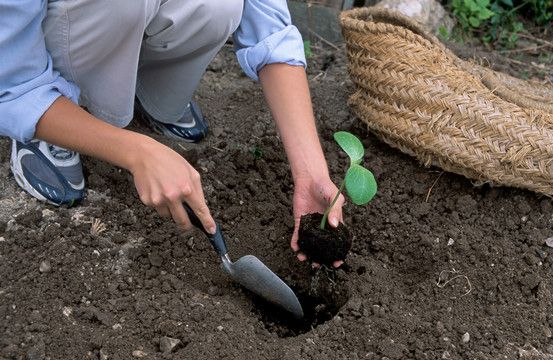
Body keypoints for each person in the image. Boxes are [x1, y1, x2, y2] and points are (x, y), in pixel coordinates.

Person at [0, 0, 345, 267]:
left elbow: (270, 30)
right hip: (44, 48)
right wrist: (139, 153)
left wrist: (311, 171)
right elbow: (11, 86)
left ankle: (150, 92)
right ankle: (57, 114)